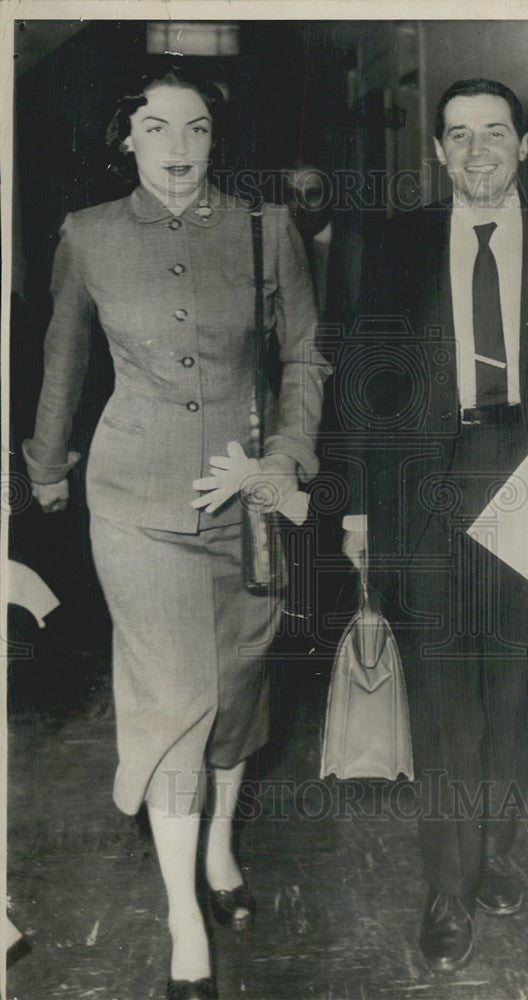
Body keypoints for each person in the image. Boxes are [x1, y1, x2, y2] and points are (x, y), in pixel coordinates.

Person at [23, 62, 327, 1000]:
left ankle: (222, 849)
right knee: (174, 702)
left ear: (214, 140)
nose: (180, 149)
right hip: (134, 506)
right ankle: (182, 915)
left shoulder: (265, 227)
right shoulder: (88, 235)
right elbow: (64, 361)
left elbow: (305, 357)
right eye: (157, 129)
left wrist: (280, 463)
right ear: (127, 138)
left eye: (195, 130)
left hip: (246, 507)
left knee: (236, 690)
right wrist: (42, 469)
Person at [342, 78, 528, 972]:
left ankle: (491, 852)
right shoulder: (393, 245)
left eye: (494, 133)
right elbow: (365, 381)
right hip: (425, 491)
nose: (477, 151)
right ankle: (447, 883)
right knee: (444, 702)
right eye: (458, 136)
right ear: (437, 151)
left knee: (511, 689)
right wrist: (360, 506)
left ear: (523, 147)